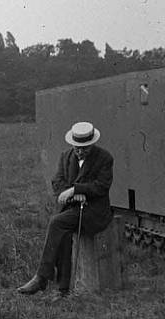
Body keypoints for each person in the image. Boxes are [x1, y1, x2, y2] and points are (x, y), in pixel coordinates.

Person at [17, 121, 114, 298]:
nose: (79, 151)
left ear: (92, 144)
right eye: (77, 147)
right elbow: (57, 182)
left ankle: (42, 278)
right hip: (73, 208)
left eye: (84, 148)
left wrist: (77, 189)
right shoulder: (66, 156)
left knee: (57, 223)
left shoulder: (104, 158)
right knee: (62, 233)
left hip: (93, 212)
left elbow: (102, 186)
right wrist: (70, 193)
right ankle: (63, 289)